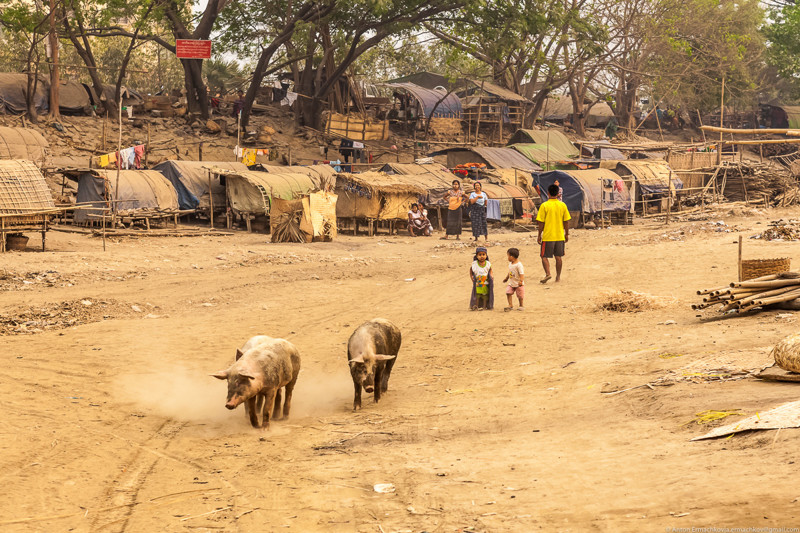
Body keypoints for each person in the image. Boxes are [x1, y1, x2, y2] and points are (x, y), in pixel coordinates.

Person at [537, 183, 571, 283]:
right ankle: (558, 277)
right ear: (558, 194)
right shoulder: (562, 205)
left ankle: (548, 274)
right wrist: (566, 234)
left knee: (544, 256)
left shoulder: (544, 206)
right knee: (558, 257)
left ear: (548, 193)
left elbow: (541, 223)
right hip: (559, 235)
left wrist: (539, 235)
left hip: (548, 236)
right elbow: (566, 221)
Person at [469, 247, 493, 311]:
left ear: (486, 255)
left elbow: (490, 270)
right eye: (480, 255)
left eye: (483, 254)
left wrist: (491, 275)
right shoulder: (474, 264)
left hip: (485, 283)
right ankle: (476, 306)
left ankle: (484, 306)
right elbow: (471, 270)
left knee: (485, 296)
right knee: (477, 295)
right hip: (478, 283)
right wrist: (471, 277)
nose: (482, 256)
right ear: (476, 256)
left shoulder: (488, 264)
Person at [502, 247, 524, 311]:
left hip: (518, 283)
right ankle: (510, 304)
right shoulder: (510, 264)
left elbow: (522, 274)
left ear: (511, 256)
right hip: (511, 283)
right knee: (508, 292)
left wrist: (521, 281)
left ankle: (521, 305)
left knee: (520, 295)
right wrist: (506, 278)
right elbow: (510, 272)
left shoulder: (519, 265)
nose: (507, 257)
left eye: (508, 256)